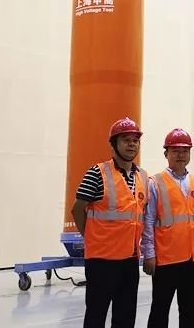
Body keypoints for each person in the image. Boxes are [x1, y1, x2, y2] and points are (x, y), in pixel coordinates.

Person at [71, 117, 149, 328]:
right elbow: (77, 209)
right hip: (101, 261)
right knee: (96, 316)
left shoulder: (143, 177)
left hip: (130, 260)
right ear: (114, 144)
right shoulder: (97, 173)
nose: (132, 144)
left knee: (125, 316)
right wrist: (90, 237)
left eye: (135, 140)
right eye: (126, 140)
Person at [141, 128, 194, 328]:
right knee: (159, 310)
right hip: (166, 259)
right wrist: (149, 254)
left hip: (193, 258)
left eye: (185, 151)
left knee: (189, 312)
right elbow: (148, 220)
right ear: (166, 154)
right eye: (175, 151)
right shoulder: (155, 183)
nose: (180, 155)